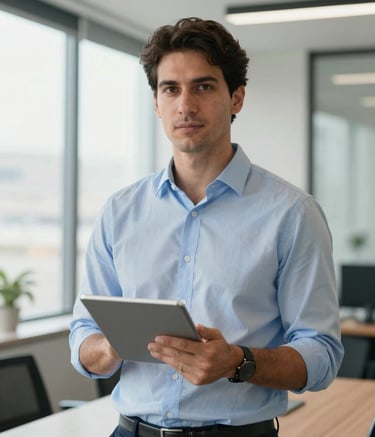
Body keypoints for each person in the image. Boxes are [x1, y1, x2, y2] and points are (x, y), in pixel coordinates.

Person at [70, 17, 344, 437]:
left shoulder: (292, 213)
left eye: (204, 86)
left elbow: (322, 355)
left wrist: (239, 361)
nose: (185, 105)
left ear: (236, 98)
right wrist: (108, 348)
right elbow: (83, 333)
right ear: (157, 103)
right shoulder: (119, 212)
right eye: (171, 89)